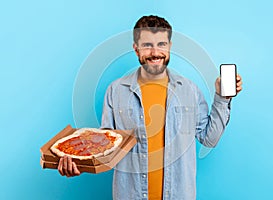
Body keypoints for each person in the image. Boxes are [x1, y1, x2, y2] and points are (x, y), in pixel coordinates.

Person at [58, 15, 243, 200]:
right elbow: (107, 149)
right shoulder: (116, 90)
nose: (155, 52)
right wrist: (79, 164)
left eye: (161, 44)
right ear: (136, 49)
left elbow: (209, 139)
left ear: (169, 46)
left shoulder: (189, 90)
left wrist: (222, 97)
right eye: (147, 45)